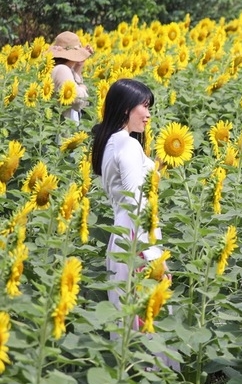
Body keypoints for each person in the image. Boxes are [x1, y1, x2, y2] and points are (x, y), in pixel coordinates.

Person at [91, 78, 164, 311]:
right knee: (146, 325)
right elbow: (137, 202)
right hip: (136, 240)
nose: (148, 115)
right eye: (144, 106)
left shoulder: (110, 143)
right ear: (125, 107)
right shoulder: (129, 145)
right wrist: (151, 258)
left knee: (125, 321)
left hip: (120, 237)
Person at [49, 31, 94, 124]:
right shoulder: (62, 69)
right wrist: (83, 88)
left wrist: (79, 65)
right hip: (60, 129)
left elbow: (73, 83)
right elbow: (77, 99)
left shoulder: (66, 69)